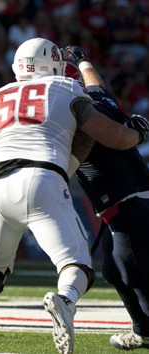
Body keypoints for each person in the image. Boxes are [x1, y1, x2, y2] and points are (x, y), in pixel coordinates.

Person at [0, 37, 149, 354]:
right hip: (42, 177)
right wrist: (139, 131)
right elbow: (114, 136)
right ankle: (65, 300)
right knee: (77, 266)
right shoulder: (67, 89)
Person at [62, 45, 149, 351]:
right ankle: (142, 330)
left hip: (127, 202)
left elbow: (120, 138)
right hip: (131, 199)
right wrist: (83, 59)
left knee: (130, 269)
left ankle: (145, 330)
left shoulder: (77, 110)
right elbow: (95, 83)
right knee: (115, 269)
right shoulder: (98, 96)